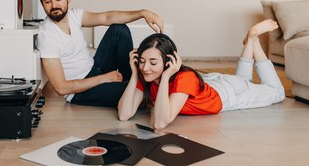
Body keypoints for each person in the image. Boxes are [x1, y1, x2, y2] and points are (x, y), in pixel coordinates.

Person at [118, 19, 285, 129]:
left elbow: (160, 123)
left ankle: (254, 41)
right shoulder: (146, 75)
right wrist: (134, 73)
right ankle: (251, 40)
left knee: (277, 92)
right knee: (242, 80)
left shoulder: (184, 78)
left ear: (169, 61)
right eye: (141, 61)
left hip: (229, 94)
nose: (145, 68)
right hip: (213, 83)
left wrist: (166, 77)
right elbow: (124, 114)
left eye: (153, 63)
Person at [36, 0, 164, 107]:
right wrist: (105, 78)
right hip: (79, 91)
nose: (54, 5)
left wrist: (143, 13)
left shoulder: (74, 15)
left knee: (119, 29)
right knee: (144, 91)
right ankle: (132, 88)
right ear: (42, 3)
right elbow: (62, 88)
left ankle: (130, 81)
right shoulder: (47, 37)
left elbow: (107, 17)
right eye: (47, 1)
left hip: (94, 68)